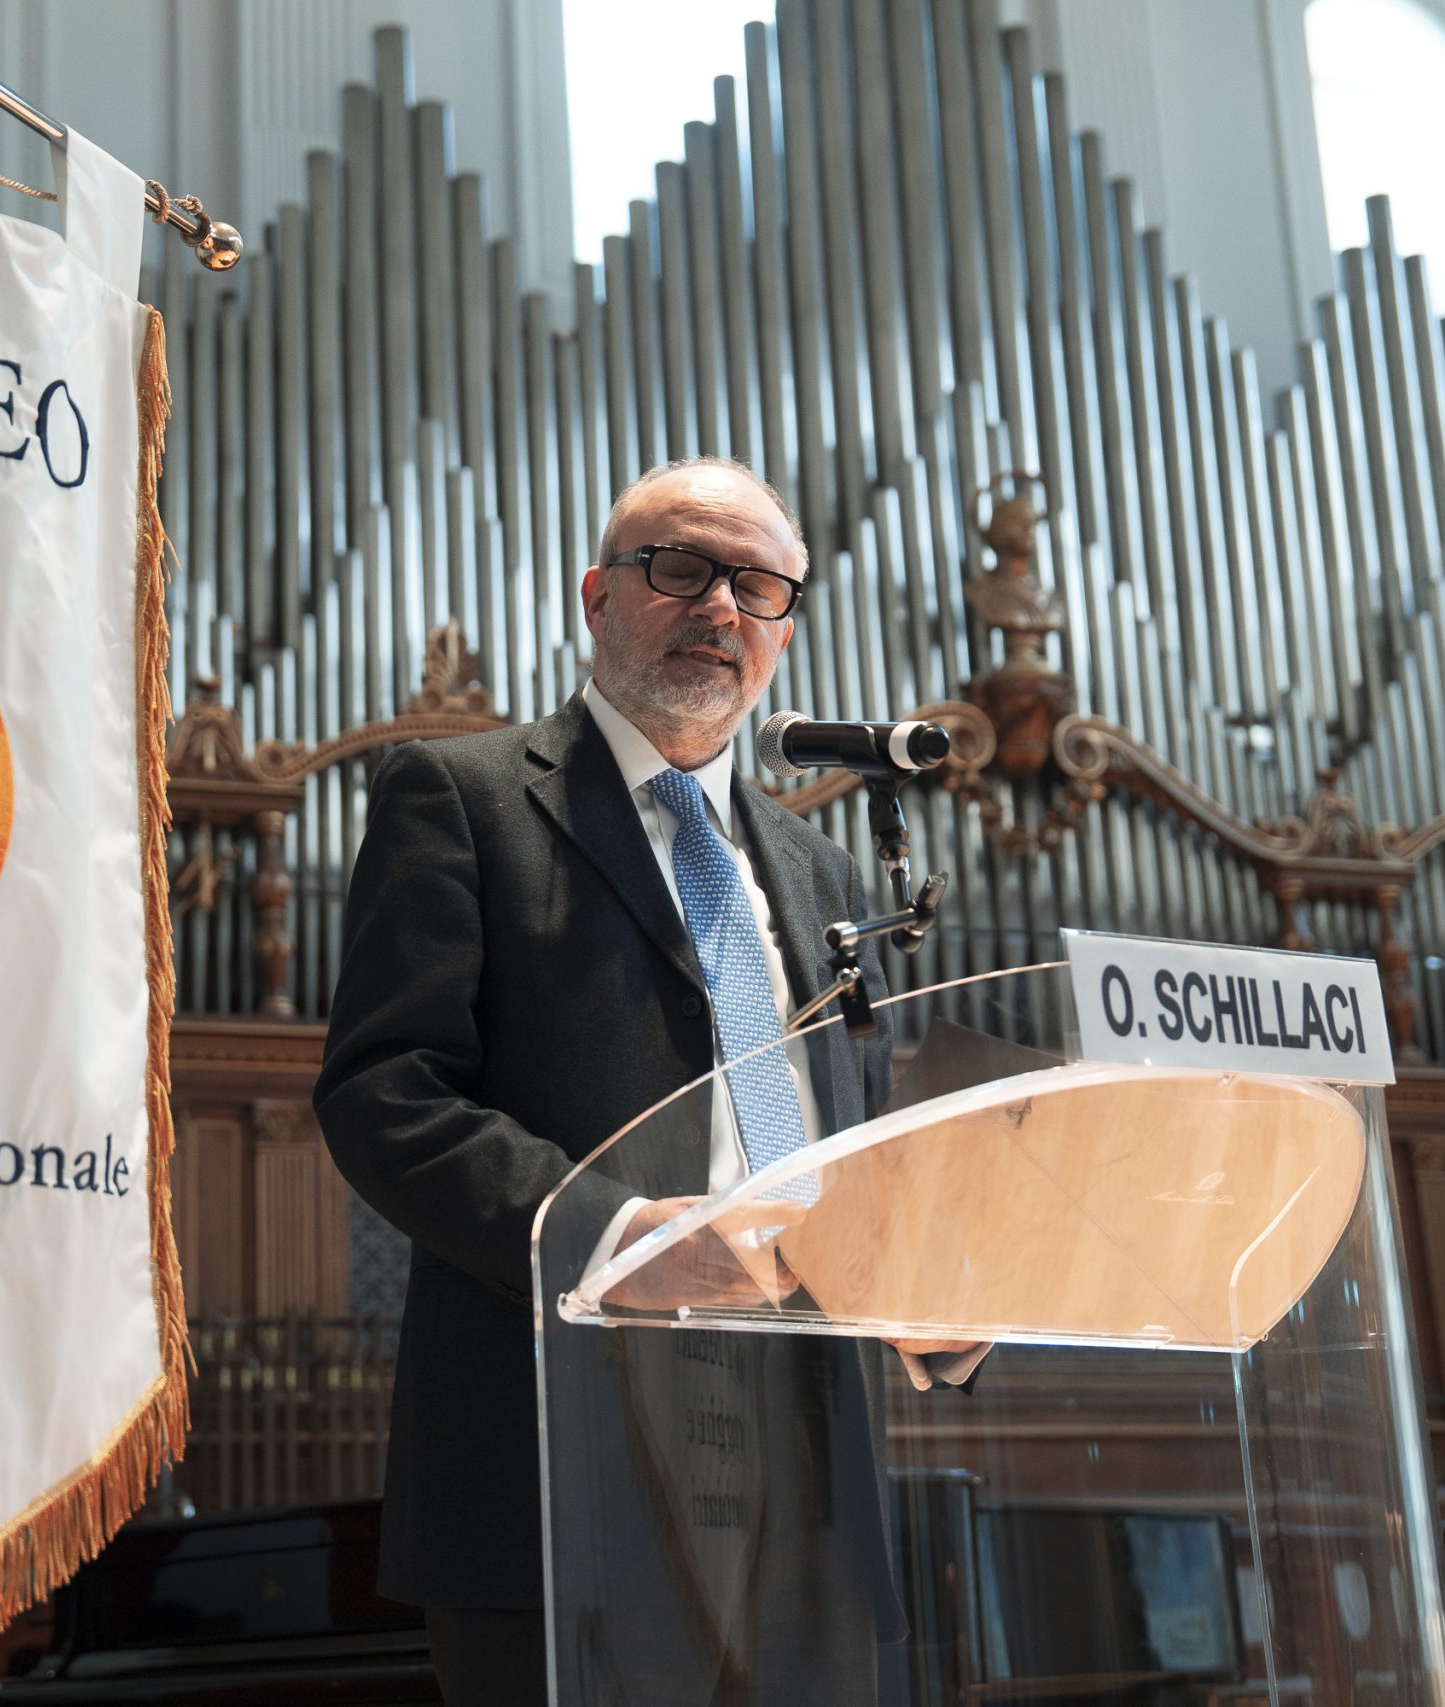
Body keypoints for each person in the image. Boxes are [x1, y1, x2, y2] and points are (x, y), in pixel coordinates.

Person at [314, 458, 978, 1705]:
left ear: (783, 630)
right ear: (597, 597)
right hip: (564, 1437)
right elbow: (383, 1093)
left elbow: (861, 1141)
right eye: (681, 568)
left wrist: (928, 1283)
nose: (721, 606)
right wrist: (615, 1239)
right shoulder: (459, 799)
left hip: (811, 1460)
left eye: (758, 587)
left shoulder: (824, 873)